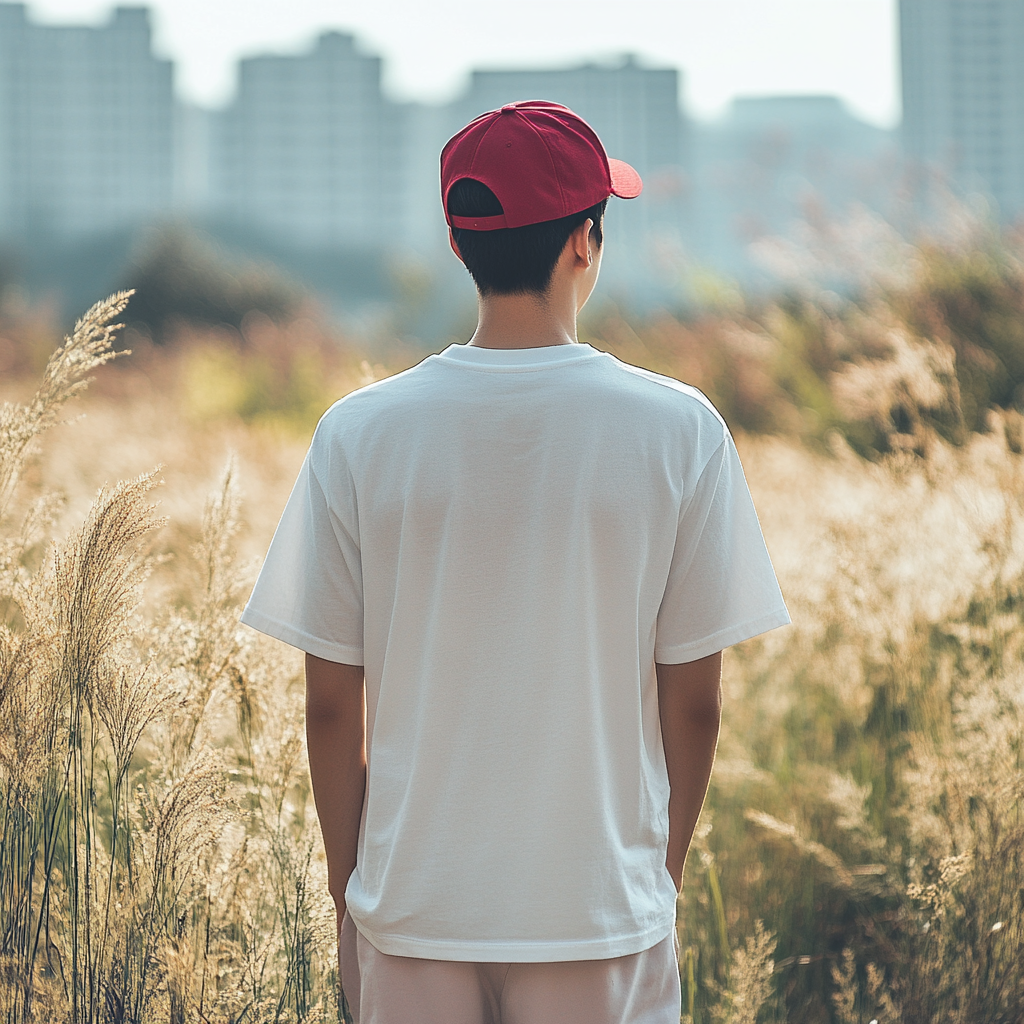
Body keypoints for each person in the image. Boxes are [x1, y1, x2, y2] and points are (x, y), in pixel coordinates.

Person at [241, 100, 790, 1024]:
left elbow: (334, 704)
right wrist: (659, 879)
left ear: (460, 248)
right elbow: (692, 699)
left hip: (413, 913)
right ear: (586, 242)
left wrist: (352, 900)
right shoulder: (681, 431)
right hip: (599, 917)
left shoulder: (359, 433)